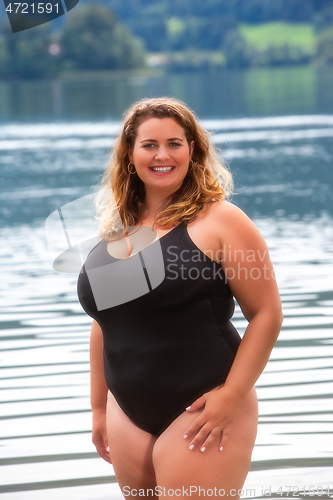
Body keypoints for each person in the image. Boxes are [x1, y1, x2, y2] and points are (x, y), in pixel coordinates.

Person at [77, 97, 283, 499]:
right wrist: (99, 407)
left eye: (175, 143)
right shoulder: (117, 229)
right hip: (126, 411)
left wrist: (231, 397)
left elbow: (266, 314)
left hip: (205, 406)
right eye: (149, 144)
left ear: (193, 150)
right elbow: (106, 322)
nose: (162, 155)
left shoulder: (222, 220)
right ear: (130, 154)